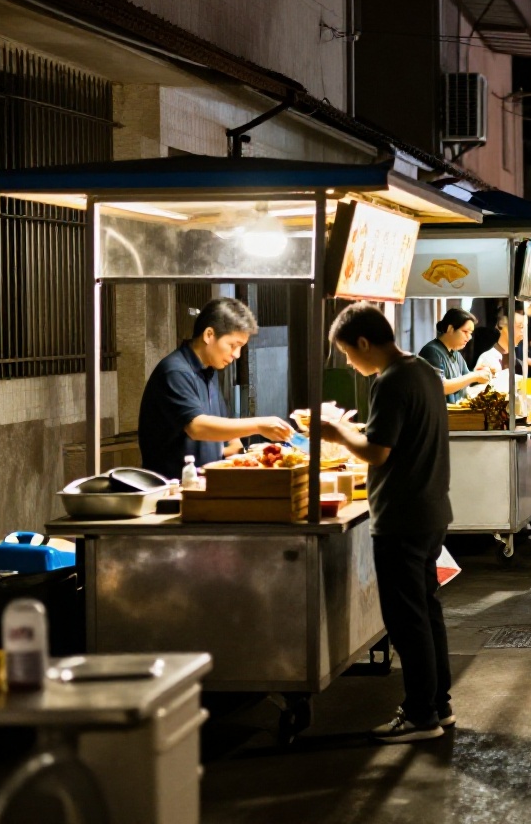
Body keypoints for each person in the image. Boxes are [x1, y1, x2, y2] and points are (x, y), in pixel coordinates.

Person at [318, 302, 453, 744]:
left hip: (402, 515)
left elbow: (378, 451)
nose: (351, 365)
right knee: (426, 611)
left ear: (363, 343)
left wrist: (336, 433)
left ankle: (420, 716)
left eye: (348, 355)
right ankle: (439, 705)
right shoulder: (424, 372)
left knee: (407, 617)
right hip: (431, 510)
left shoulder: (392, 381)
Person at [139, 297, 294, 476]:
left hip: (205, 483)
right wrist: (259, 425)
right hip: (174, 488)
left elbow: (221, 426)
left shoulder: (208, 371)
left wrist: (238, 447)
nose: (236, 354)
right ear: (209, 335)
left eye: (241, 347)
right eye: (233, 345)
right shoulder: (175, 372)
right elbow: (197, 427)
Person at [419, 308, 491, 403]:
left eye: (471, 333)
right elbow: (441, 386)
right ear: (450, 329)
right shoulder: (432, 351)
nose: (469, 337)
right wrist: (475, 376)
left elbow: (466, 379)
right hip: (442, 414)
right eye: (465, 332)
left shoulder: (456, 354)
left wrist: (479, 373)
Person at [475, 306, 531, 379]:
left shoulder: (516, 358)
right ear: (502, 326)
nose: (523, 332)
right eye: (520, 326)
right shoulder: (488, 359)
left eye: (524, 327)